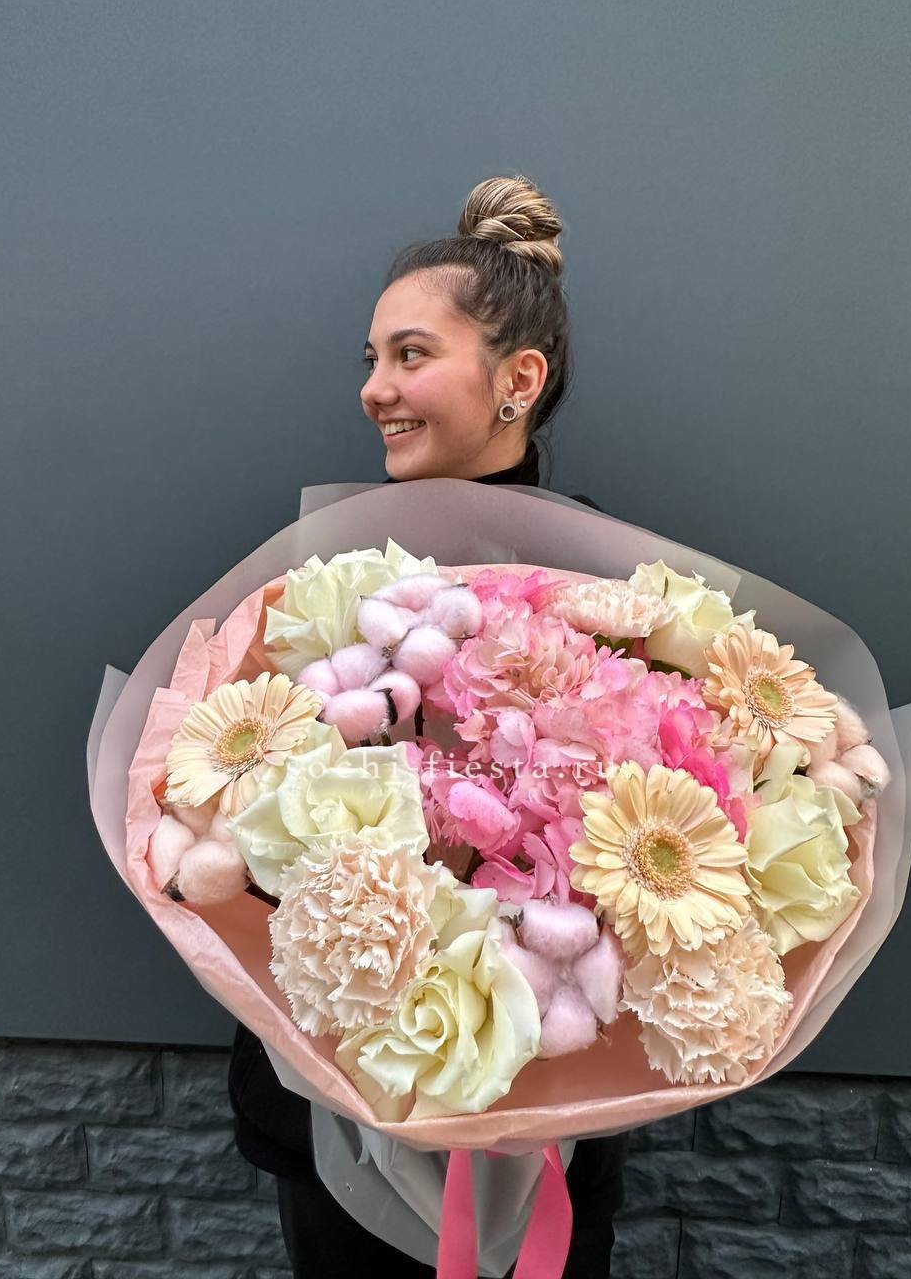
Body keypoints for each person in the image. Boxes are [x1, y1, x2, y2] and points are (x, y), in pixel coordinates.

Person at [229, 173, 630, 1277]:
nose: (376, 388)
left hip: (544, 1096)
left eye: (410, 355)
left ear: (518, 381)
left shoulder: (612, 594)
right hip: (332, 1089)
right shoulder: (325, 579)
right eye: (370, 359)